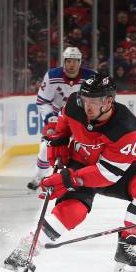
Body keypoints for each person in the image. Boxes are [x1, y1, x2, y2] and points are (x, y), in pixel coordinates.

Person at [3, 74, 136, 272]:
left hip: (114, 170)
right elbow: (62, 127)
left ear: (109, 101)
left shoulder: (125, 127)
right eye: (85, 100)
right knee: (72, 212)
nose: (87, 107)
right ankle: (27, 248)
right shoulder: (74, 106)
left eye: (94, 102)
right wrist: (57, 140)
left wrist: (66, 178)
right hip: (80, 163)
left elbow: (108, 174)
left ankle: (126, 245)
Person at [27, 46, 95, 190]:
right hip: (58, 118)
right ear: (64, 62)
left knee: (88, 149)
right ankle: (39, 176)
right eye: (69, 61)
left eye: (75, 61)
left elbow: (97, 100)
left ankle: (89, 177)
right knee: (46, 147)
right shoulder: (52, 76)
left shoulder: (91, 77)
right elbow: (42, 101)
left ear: (80, 62)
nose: (72, 65)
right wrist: (51, 118)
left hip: (81, 119)